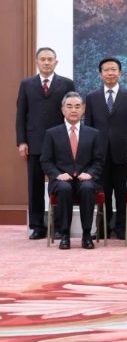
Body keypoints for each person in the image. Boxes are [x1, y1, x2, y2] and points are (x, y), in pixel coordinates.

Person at [16, 47, 76, 240]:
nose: (46, 62)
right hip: (34, 141)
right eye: (43, 59)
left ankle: (59, 227)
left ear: (56, 62)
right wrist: (21, 141)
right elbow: (21, 114)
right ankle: (37, 226)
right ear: (37, 62)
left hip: (59, 142)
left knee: (60, 183)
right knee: (35, 185)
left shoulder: (66, 83)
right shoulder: (27, 84)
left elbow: (72, 112)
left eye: (50, 59)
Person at [84, 57, 127, 240]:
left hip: (123, 152)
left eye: (113, 70)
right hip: (99, 154)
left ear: (120, 73)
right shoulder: (92, 97)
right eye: (106, 70)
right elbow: (88, 127)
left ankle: (122, 227)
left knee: (123, 192)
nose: (110, 73)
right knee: (103, 192)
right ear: (100, 74)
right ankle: (102, 228)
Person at [40, 92, 104, 250]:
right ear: (63, 110)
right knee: (64, 189)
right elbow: (46, 160)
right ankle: (64, 235)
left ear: (83, 109)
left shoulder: (93, 133)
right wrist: (57, 175)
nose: (73, 110)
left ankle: (87, 235)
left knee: (88, 188)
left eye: (77, 106)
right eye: (69, 106)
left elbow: (99, 160)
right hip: (61, 179)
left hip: (85, 178)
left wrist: (90, 173)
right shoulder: (52, 133)